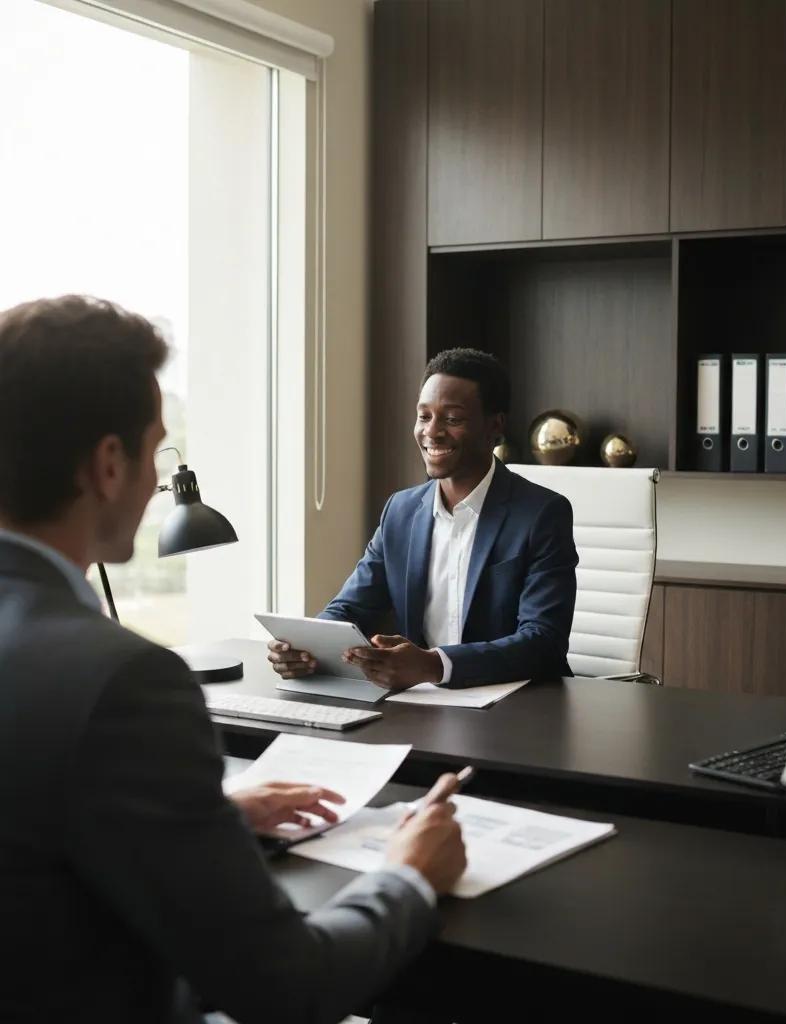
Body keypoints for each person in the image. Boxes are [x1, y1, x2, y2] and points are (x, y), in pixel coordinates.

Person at [0, 295, 466, 1024]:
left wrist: (198, 817)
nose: (160, 479)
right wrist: (409, 876)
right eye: (155, 450)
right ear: (109, 465)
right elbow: (287, 986)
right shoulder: (124, 682)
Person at [268, 348, 579, 690]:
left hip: (520, 706)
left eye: (453, 419)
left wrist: (435, 665)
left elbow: (543, 641)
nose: (432, 432)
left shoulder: (542, 514)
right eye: (424, 416)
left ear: (495, 426)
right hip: (423, 703)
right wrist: (308, 648)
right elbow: (350, 608)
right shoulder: (401, 511)